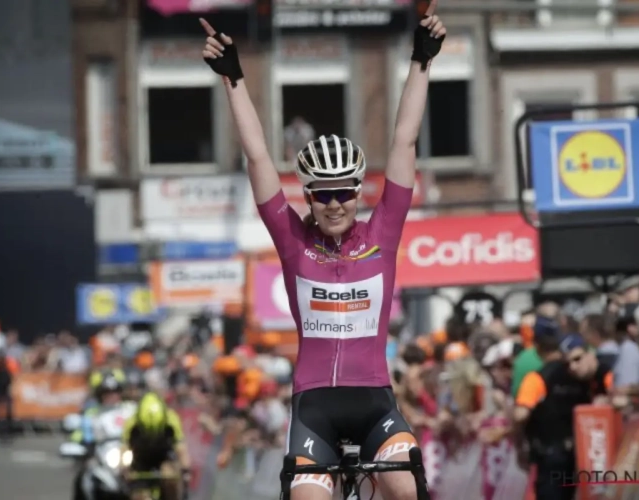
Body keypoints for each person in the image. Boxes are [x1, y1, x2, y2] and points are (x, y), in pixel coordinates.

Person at [199, 2, 446, 498]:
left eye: (344, 193)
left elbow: (404, 141)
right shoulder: (294, 242)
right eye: (323, 194)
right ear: (309, 198)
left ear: (358, 193)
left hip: (376, 406)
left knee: (407, 489)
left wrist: (421, 61)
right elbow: (258, 156)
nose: (335, 205)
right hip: (314, 411)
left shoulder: (382, 235)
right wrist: (234, 79)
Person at [513, 333, 611, 500]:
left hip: (580, 456)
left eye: (577, 359)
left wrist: (518, 444)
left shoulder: (597, 375)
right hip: (574, 457)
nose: (573, 366)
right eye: (568, 362)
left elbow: (519, 415)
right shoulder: (547, 377)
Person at [121, 392, 191, 500]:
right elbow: (124, 449)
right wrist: (124, 468)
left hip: (165, 457)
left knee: (170, 476)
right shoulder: (131, 423)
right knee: (139, 496)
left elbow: (181, 448)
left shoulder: (172, 420)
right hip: (140, 460)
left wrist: (185, 470)